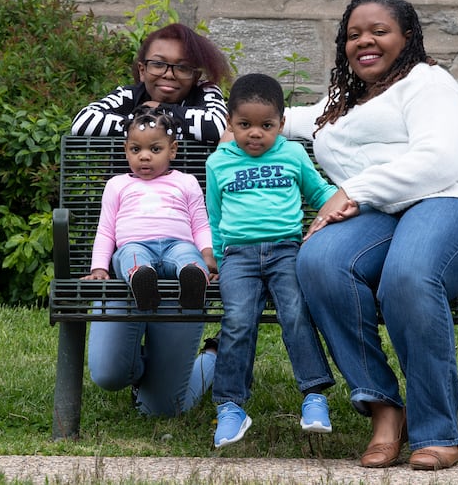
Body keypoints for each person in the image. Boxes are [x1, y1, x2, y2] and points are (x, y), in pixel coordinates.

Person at [282, 0, 458, 470]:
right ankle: (384, 408)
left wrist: (353, 191)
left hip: (450, 202)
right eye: (354, 34)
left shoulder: (429, 83)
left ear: (406, 36)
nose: (365, 41)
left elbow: (438, 161)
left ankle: (437, 430)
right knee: (319, 261)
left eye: (379, 31)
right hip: (383, 212)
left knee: (408, 274)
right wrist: (203, 116)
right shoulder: (342, 101)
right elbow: (286, 121)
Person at [205, 73, 337, 448]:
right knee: (237, 321)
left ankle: (314, 397)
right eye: (244, 125)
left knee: (295, 313)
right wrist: (217, 258)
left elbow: (319, 191)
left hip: (285, 251)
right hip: (238, 258)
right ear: (230, 122)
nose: (255, 134)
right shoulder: (218, 163)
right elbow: (214, 215)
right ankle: (230, 406)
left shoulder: (293, 154)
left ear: (281, 123)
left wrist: (347, 200)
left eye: (267, 125)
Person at [83, 105, 218, 417]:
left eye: (154, 149)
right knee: (131, 258)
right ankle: (141, 281)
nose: (144, 157)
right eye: (136, 149)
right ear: (126, 151)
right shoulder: (118, 184)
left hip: (177, 246)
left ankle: (193, 283)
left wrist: (208, 260)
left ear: (173, 151)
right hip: (134, 249)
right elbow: (106, 230)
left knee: (187, 257)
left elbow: (200, 225)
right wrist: (99, 267)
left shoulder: (185, 182)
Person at [71, 23, 232, 145]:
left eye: (182, 67)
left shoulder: (205, 91)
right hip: (130, 188)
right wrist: (152, 122)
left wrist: (158, 109)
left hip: (188, 189)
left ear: (195, 76)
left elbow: (218, 126)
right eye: (158, 64)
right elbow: (83, 121)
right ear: (142, 70)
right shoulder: (129, 95)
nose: (169, 74)